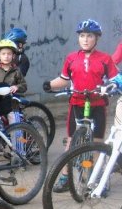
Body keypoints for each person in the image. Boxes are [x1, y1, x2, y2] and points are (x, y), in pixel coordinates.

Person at [43, 19, 117, 192]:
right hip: (76, 103)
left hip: (97, 104)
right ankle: (65, 176)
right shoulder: (71, 58)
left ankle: (98, 178)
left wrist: (114, 87)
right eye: (82, 36)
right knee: (70, 142)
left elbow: (114, 79)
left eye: (89, 36)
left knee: (98, 143)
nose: (85, 39)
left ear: (96, 38)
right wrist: (50, 84)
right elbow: (64, 79)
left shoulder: (105, 59)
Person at [0, 39, 27, 119]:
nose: (6, 56)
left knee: (13, 123)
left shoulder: (16, 71)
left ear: (13, 56)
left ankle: (17, 130)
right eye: (3, 54)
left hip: (12, 106)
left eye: (9, 54)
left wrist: (17, 87)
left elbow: (24, 86)